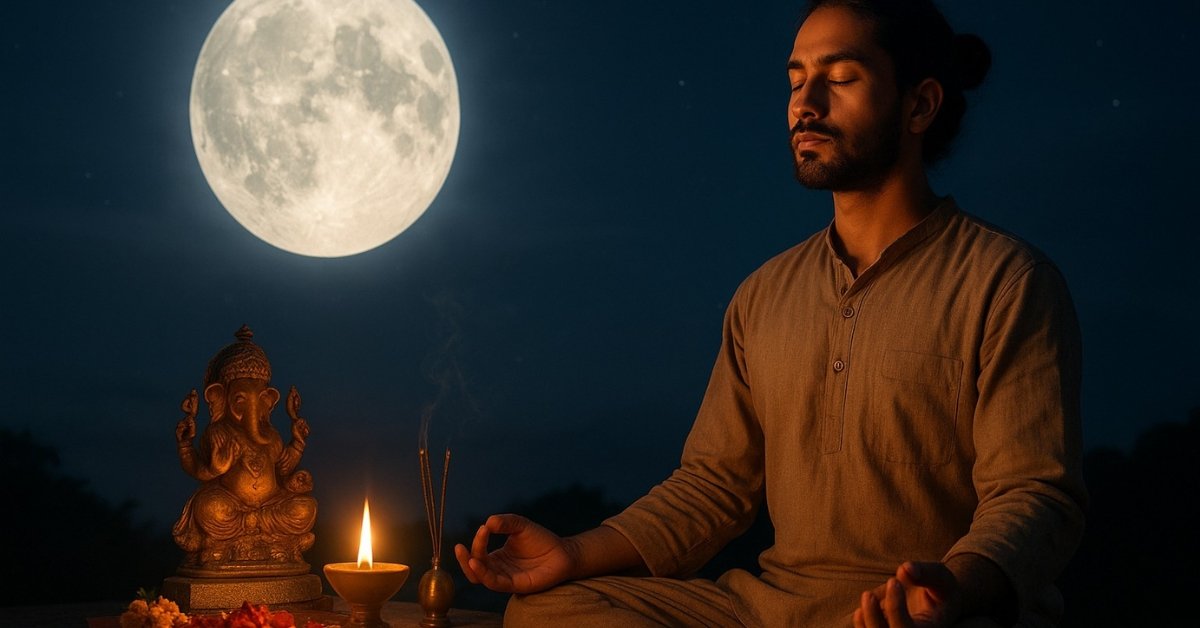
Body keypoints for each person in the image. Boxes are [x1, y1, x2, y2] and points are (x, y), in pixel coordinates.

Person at [456, 1, 1086, 626]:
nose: (805, 104)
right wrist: (571, 553)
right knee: (547, 609)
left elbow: (1035, 496)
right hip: (773, 609)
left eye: (840, 79)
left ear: (919, 105)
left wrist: (952, 589)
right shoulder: (764, 294)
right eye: (795, 80)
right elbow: (712, 486)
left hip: (924, 613)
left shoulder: (1004, 281)